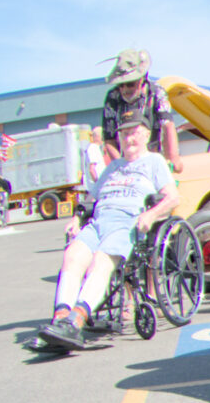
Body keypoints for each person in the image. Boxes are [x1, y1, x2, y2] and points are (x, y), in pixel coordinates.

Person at [39, 121, 176, 349]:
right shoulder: (113, 167)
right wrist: (76, 218)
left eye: (133, 133)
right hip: (98, 221)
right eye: (124, 134)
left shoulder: (154, 161)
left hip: (127, 222)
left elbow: (172, 197)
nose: (128, 139)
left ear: (145, 135)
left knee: (101, 262)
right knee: (72, 256)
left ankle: (76, 320)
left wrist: (151, 214)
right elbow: (92, 198)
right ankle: (60, 319)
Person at [100, 49, 183, 175]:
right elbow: (109, 139)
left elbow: (168, 126)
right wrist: (123, 166)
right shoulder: (112, 97)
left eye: (130, 84)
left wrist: (172, 158)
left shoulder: (156, 93)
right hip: (126, 161)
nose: (124, 89)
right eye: (120, 85)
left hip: (154, 157)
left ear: (142, 79)